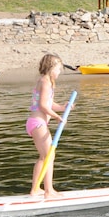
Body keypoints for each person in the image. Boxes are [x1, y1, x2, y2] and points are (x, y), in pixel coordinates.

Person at [26, 53, 69, 199]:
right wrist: (57, 117)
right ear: (51, 68)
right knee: (49, 156)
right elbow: (43, 106)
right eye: (58, 69)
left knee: (44, 157)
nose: (58, 73)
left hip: (35, 123)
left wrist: (63, 107)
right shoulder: (45, 82)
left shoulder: (45, 81)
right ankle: (48, 191)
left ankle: (35, 189)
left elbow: (49, 104)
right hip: (38, 123)